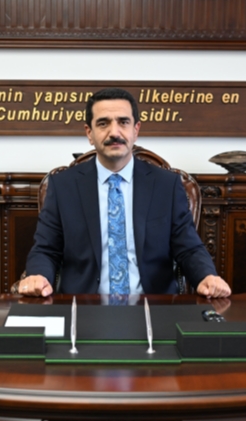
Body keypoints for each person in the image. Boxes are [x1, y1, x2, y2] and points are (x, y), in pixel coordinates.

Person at [19, 88, 231, 298]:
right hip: (84, 306)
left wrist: (206, 276)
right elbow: (46, 249)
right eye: (103, 123)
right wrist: (38, 276)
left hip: (154, 307)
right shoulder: (63, 186)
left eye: (123, 122)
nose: (114, 132)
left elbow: (189, 248)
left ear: (136, 130)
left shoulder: (166, 185)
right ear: (89, 133)